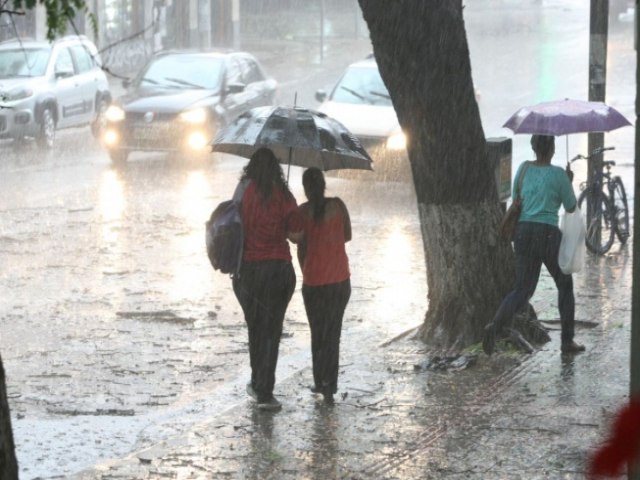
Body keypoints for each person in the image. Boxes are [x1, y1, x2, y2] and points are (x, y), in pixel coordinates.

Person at [483, 134, 585, 355]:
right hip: (547, 234)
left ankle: (495, 325)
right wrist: (567, 180)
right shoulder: (558, 174)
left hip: (523, 232)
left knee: (522, 289)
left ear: (533, 148)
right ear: (553, 149)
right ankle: (567, 342)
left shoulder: (524, 169)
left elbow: (517, 198)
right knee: (565, 286)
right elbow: (570, 207)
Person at [233, 148, 303, 411]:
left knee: (256, 329)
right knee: (272, 330)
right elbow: (297, 235)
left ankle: (257, 382)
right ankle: (266, 391)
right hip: (279, 272)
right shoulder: (284, 196)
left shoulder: (244, 190)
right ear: (276, 169)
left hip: (249, 272)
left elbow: (232, 221)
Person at [296, 167, 352, 404]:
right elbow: (347, 236)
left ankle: (321, 381)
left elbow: (296, 240)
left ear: (306, 188)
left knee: (318, 334)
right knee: (333, 333)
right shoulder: (338, 205)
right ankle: (330, 384)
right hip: (339, 280)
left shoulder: (302, 212)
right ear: (323, 184)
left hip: (314, 282)